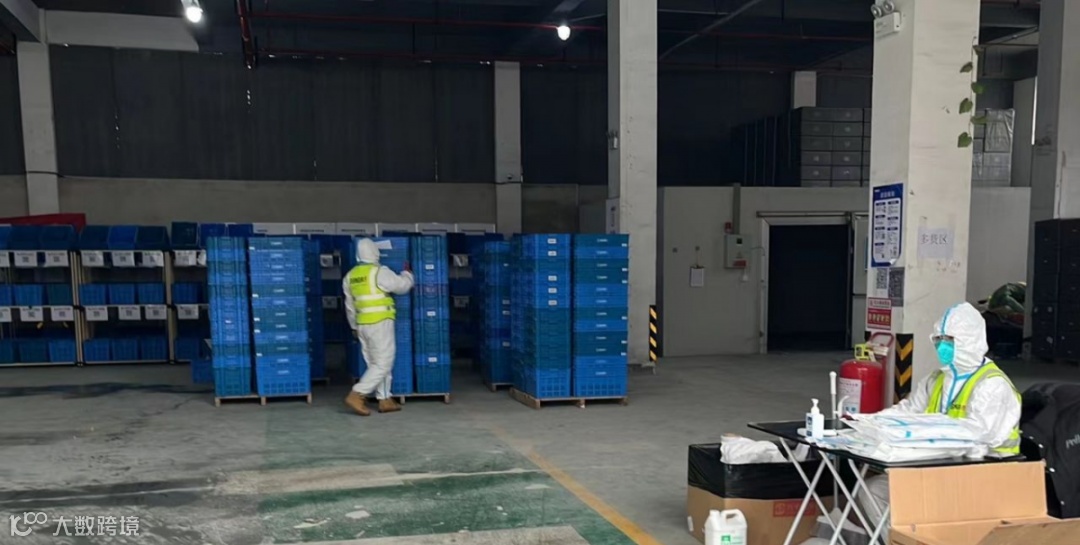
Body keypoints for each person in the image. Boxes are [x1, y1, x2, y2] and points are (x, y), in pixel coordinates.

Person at [855, 301, 1022, 527]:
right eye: (938, 340)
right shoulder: (935, 379)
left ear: (970, 340)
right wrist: (868, 425)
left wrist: (922, 439)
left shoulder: (992, 385)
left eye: (949, 340)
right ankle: (899, 541)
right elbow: (907, 411)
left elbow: (979, 438)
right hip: (934, 470)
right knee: (873, 490)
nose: (942, 347)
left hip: (983, 476)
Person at [342, 238, 414, 416]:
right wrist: (407, 274)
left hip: (362, 325)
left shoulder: (350, 276)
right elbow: (401, 286)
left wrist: (354, 326)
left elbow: (349, 306)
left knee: (375, 363)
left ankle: (384, 399)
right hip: (380, 322)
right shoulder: (379, 272)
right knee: (383, 363)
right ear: (375, 252)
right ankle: (357, 394)